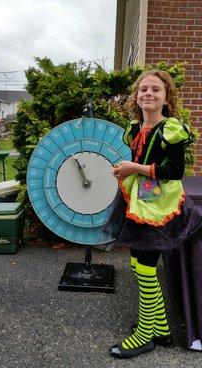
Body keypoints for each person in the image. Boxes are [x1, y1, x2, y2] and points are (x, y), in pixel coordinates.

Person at [104, 69, 202, 359]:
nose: (148, 93)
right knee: (138, 266)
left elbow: (174, 171)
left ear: (166, 98)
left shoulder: (170, 129)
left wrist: (132, 168)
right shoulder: (134, 129)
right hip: (138, 202)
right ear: (136, 96)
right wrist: (127, 171)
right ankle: (160, 328)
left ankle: (145, 334)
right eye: (143, 89)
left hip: (159, 207)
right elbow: (138, 161)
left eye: (156, 90)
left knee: (145, 268)